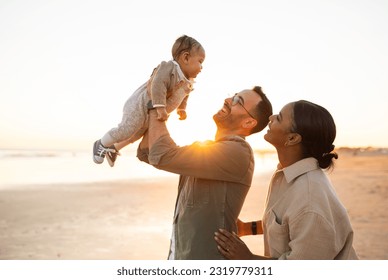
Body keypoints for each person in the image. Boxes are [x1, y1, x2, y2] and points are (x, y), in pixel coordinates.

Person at [137, 86, 273, 259]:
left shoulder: (237, 151)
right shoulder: (209, 149)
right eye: (233, 95)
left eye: (238, 101)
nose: (228, 100)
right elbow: (148, 153)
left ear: (248, 122)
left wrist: (157, 104)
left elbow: (161, 154)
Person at [214, 100, 358, 260]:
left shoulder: (310, 201)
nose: (271, 117)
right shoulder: (287, 174)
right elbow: (288, 223)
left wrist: (248, 259)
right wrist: (248, 228)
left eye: (280, 118)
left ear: (292, 138)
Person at [93, 35, 205, 167]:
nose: (202, 67)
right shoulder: (169, 68)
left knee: (135, 135)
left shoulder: (188, 82)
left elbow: (184, 95)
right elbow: (158, 84)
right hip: (140, 105)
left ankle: (114, 149)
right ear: (186, 57)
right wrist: (161, 107)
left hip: (153, 111)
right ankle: (101, 143)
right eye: (200, 61)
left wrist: (182, 109)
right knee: (127, 129)